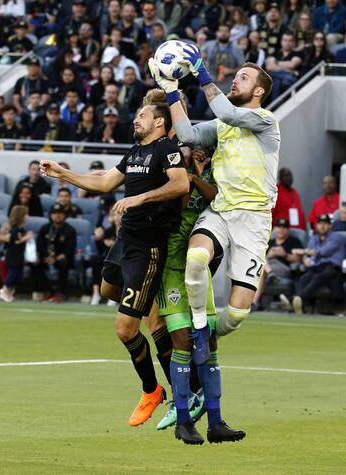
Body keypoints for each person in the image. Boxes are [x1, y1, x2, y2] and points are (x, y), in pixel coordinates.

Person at [149, 53, 280, 438]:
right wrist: (172, 93)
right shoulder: (221, 125)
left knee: (237, 315)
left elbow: (227, 109)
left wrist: (202, 74)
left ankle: (208, 335)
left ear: (258, 91)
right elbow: (188, 136)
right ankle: (197, 327)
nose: (234, 81)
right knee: (196, 257)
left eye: (242, 78)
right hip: (222, 211)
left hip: (254, 221)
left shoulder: (265, 122)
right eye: (233, 76)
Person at [40, 102, 189, 427]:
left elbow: (181, 185)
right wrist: (63, 173)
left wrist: (140, 198)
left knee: (125, 328)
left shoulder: (168, 149)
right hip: (125, 243)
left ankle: (153, 390)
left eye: (142, 115)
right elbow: (104, 183)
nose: (135, 119)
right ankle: (144, 308)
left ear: (160, 122)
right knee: (109, 286)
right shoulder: (135, 152)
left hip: (148, 247)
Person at [291, 214, 345, 313]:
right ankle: (300, 306)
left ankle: (298, 299)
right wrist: (306, 259)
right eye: (320, 223)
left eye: (325, 223)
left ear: (330, 225)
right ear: (316, 225)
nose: (322, 226)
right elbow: (310, 254)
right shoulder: (314, 238)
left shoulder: (337, 237)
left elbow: (323, 252)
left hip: (333, 268)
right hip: (318, 267)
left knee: (321, 276)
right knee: (305, 277)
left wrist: (304, 252)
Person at [252, 218, 302, 309]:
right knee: (261, 262)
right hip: (269, 266)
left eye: (284, 227)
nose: (281, 229)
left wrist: (284, 255)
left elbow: (298, 260)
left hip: (283, 268)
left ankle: (254, 303)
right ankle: (270, 273)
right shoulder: (270, 242)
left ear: (288, 230)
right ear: (274, 229)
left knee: (262, 268)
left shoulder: (293, 241)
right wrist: (270, 255)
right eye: (279, 227)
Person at [31, 203, 77, 303]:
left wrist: (55, 258)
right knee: (34, 263)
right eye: (54, 213)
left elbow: (69, 250)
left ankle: (61, 293)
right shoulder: (45, 228)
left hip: (61, 258)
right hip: (46, 258)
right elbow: (39, 246)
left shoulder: (70, 230)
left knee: (64, 262)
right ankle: (48, 291)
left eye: (60, 213)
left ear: (64, 215)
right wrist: (44, 257)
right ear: (50, 215)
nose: (57, 215)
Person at [0, 205, 33, 302]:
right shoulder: (15, 229)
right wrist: (26, 237)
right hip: (12, 256)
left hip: (19, 256)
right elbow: (16, 241)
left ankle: (10, 291)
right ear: (20, 216)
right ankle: (4, 289)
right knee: (13, 273)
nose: (27, 217)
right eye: (26, 214)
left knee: (19, 274)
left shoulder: (21, 229)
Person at [201, 23, 245, 94]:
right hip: (207, 85)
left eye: (226, 31)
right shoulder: (208, 45)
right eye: (221, 31)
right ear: (217, 33)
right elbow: (200, 59)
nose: (223, 33)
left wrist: (230, 70)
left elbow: (242, 68)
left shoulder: (236, 48)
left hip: (226, 88)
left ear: (230, 33)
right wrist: (204, 61)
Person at [265, 32, 303, 101]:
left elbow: (292, 64)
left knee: (278, 80)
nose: (287, 43)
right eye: (285, 40)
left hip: (287, 83)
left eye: (290, 40)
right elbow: (269, 67)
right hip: (286, 79)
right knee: (285, 79)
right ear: (281, 41)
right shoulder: (275, 53)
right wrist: (291, 71)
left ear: (293, 42)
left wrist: (276, 62)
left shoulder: (298, 54)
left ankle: (275, 106)